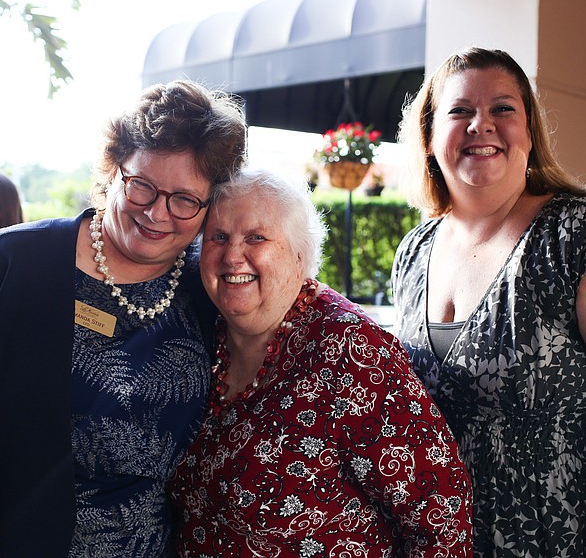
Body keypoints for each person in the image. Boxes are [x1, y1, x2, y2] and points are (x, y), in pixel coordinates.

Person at [0, 79, 247, 557]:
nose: (157, 213)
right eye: (141, 186)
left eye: (184, 199)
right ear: (114, 170)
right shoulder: (11, 263)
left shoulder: (211, 286)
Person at [391, 46, 586, 557]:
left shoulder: (584, 242)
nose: (480, 125)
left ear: (530, 133)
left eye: (503, 110)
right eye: (460, 110)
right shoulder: (414, 253)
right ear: (427, 136)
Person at [170, 169, 473, 556]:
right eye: (218, 237)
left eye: (256, 237)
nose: (232, 256)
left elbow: (441, 516)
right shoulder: (202, 334)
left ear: (300, 256)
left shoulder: (352, 352)